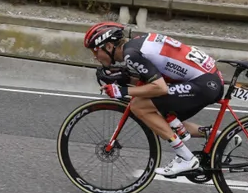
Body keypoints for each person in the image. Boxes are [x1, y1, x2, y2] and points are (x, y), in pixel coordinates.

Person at [83, 21, 238, 177]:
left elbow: (160, 88)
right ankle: (220, 137)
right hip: (207, 81)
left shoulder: (131, 54)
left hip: (204, 84)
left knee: (139, 106)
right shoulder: (136, 44)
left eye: (95, 52)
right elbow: (153, 82)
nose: (95, 57)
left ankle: (186, 158)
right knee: (159, 118)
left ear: (109, 46)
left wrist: (121, 90)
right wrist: (127, 79)